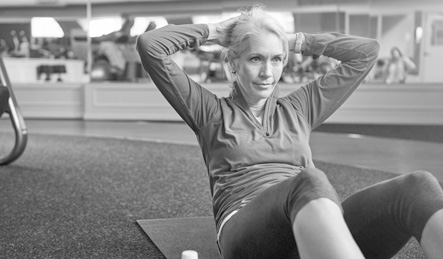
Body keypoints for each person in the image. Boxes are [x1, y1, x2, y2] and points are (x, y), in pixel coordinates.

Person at [137, 4, 443, 259]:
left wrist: (295, 40)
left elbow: (366, 51)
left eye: (276, 59)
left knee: (418, 185)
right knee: (309, 180)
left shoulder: (300, 107)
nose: (267, 73)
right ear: (233, 64)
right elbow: (151, 46)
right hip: (247, 229)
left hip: (312, 213)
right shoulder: (210, 113)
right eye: (255, 58)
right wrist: (217, 32)